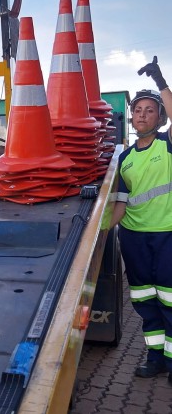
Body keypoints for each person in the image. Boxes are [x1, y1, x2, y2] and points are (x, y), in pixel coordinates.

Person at [111, 56, 172, 382]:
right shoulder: (125, 157)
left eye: (150, 110)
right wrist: (103, 231)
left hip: (167, 235)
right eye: (138, 110)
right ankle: (155, 358)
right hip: (133, 237)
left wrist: (160, 81)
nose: (142, 115)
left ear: (160, 118)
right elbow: (121, 203)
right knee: (145, 301)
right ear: (132, 118)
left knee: (170, 300)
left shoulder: (168, 144)